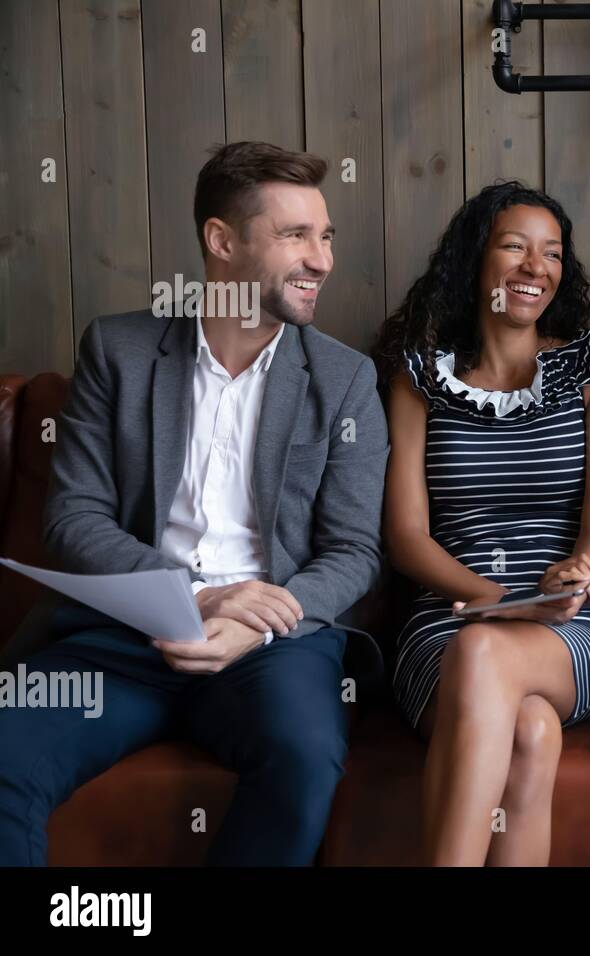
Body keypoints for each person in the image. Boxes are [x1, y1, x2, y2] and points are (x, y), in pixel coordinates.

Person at [0, 141, 389, 866]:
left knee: (304, 760)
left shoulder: (345, 379)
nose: (322, 259)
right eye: (295, 235)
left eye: (326, 235)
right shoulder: (118, 350)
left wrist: (263, 622)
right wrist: (200, 599)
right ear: (222, 241)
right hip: (125, 633)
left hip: (274, 647)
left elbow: (354, 550)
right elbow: (73, 518)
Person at [373, 182, 590, 866]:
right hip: (449, 614)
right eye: (514, 246)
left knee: (488, 657)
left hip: (569, 619)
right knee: (531, 733)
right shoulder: (417, 378)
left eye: (551, 253)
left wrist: (582, 572)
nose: (534, 267)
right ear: (474, 262)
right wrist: (494, 603)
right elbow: (406, 537)